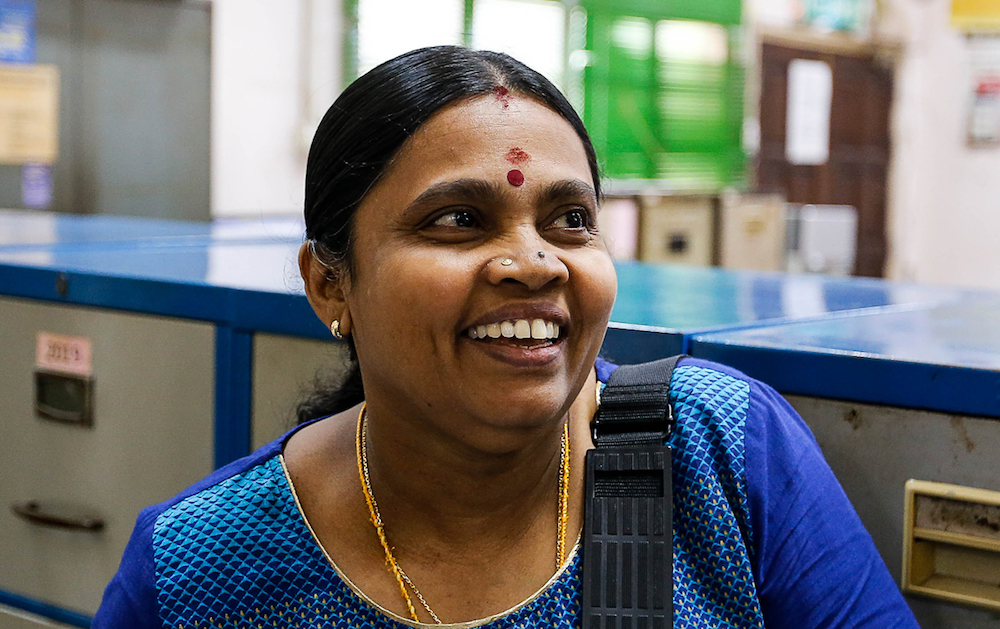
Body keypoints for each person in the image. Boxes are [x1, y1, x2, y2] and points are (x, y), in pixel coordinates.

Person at [93, 46, 919, 628]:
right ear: (329, 284)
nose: (535, 262)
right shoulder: (198, 570)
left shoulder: (721, 450)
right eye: (459, 219)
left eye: (570, 219)